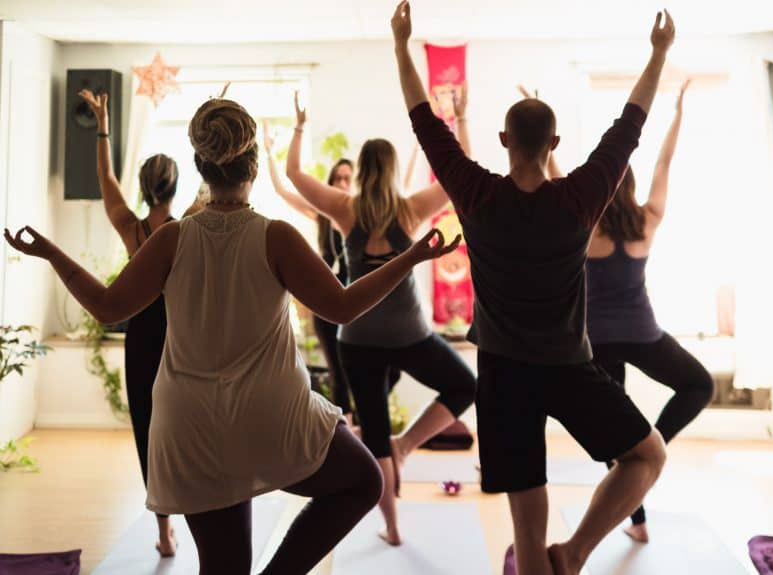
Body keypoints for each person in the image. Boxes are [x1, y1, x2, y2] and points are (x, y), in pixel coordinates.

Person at [5, 96, 460, 574]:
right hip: (272, 416)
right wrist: (407, 259)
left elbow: (106, 306)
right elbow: (342, 307)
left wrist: (53, 253)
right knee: (363, 481)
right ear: (255, 169)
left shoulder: (172, 239)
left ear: (201, 165)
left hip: (191, 424)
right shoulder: (275, 236)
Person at [393, 2, 673, 573]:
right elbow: (630, 127)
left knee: (525, 534)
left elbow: (425, 122)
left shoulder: (477, 195)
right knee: (647, 456)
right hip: (569, 367)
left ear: (502, 139)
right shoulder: (579, 197)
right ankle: (573, 553)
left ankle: (554, 558)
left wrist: (401, 46)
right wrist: (658, 53)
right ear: (554, 144)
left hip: (503, 372)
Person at [286, 90, 477, 546]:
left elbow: (294, 174)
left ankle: (392, 528)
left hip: (359, 341)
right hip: (410, 335)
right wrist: (462, 118)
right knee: (466, 385)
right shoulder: (408, 210)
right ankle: (407, 445)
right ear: (390, 170)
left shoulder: (345, 209)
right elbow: (461, 170)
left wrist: (298, 127)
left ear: (364, 169)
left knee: (373, 436)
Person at [583, 80, 714, 543]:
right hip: (642, 334)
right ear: (632, 186)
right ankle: (650, 449)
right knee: (701, 384)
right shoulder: (647, 219)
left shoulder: (585, 223)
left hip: (595, 340)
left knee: (615, 430)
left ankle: (639, 471)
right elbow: (664, 162)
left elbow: (558, 174)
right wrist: (677, 114)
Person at [79, 89, 179, 556]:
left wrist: (102, 125)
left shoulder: (130, 227)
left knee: (149, 432)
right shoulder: (190, 224)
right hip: (179, 339)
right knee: (182, 430)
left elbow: (105, 177)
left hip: (142, 337)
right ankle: (197, 522)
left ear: (143, 187)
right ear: (177, 188)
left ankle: (163, 533)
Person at [263, 123, 357, 419]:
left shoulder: (363, 214)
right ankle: (344, 434)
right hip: (329, 298)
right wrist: (269, 151)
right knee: (339, 373)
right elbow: (282, 190)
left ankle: (362, 435)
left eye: (347, 178)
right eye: (337, 178)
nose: (342, 183)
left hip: (357, 300)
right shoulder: (322, 212)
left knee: (360, 374)